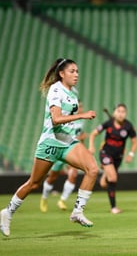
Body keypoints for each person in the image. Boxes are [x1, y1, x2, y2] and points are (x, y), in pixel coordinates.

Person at [0, 58, 99, 237]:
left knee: (92, 168)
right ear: (61, 73)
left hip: (67, 141)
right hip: (50, 142)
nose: (76, 74)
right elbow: (56, 119)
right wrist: (82, 116)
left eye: (77, 71)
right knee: (34, 183)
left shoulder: (73, 92)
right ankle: (7, 212)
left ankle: (77, 212)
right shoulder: (55, 89)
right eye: (72, 71)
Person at [88, 104, 137, 214]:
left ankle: (106, 173)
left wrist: (131, 154)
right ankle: (113, 207)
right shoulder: (108, 123)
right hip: (105, 153)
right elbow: (93, 134)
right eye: (118, 111)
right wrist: (91, 146)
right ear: (114, 112)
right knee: (113, 179)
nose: (121, 113)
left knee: (105, 184)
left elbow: (134, 142)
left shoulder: (128, 126)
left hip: (118, 158)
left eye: (123, 111)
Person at [40, 101, 88, 212]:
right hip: (60, 148)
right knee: (52, 176)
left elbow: (79, 136)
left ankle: (62, 200)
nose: (80, 108)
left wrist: (83, 146)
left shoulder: (81, 120)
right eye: (78, 106)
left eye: (81, 106)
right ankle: (44, 197)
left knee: (74, 174)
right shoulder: (65, 117)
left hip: (72, 150)